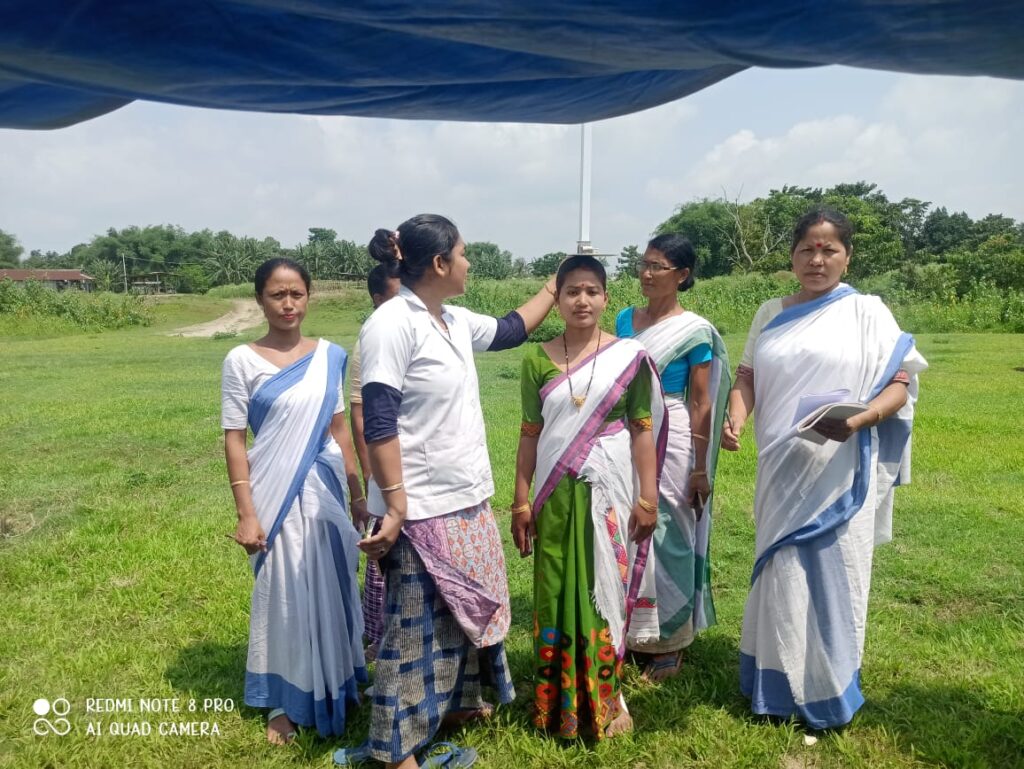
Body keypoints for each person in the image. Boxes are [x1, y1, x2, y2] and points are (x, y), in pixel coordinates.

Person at [356, 214, 558, 769]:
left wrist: (555, 284)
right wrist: (395, 503)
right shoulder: (392, 324)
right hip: (418, 507)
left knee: (455, 615)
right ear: (440, 263)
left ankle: (450, 707)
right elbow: (378, 419)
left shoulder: (451, 320)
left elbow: (514, 328)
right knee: (412, 628)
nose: (470, 262)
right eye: (464, 254)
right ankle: (396, 751)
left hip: (463, 497)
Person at [722, 207, 927, 729]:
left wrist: (863, 418)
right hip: (781, 463)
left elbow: (899, 385)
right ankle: (775, 684)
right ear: (792, 256)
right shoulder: (770, 311)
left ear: (847, 256)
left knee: (838, 573)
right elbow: (745, 377)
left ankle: (828, 688)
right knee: (780, 567)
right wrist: (736, 417)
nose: (817, 260)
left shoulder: (868, 313)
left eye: (828, 250)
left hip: (839, 465)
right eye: (807, 250)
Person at [511, 255, 666, 739]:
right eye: (571, 291)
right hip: (555, 496)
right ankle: (554, 703)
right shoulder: (537, 358)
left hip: (610, 492)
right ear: (556, 298)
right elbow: (529, 434)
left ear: (605, 298)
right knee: (556, 588)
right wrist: (520, 501)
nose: (582, 300)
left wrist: (648, 497)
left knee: (606, 589)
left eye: (591, 291)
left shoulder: (627, 356)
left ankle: (608, 697)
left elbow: (643, 430)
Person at [220, 257, 369, 744]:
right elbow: (235, 439)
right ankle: (283, 700)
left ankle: (339, 681)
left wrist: (357, 492)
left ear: (309, 297)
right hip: (273, 491)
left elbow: (339, 428)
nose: (287, 304)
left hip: (324, 487)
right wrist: (247, 512)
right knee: (282, 590)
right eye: (276, 295)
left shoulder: (330, 355)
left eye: (296, 294)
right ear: (260, 299)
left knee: (332, 580)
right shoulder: (241, 360)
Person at [615, 233, 731, 681]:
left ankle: (671, 640)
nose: (646, 273)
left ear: (681, 276)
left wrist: (700, 468)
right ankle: (632, 628)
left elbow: (701, 402)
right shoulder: (625, 319)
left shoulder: (695, 331)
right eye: (644, 264)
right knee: (629, 523)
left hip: (674, 434)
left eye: (658, 266)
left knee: (670, 530)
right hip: (627, 433)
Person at [348, 263, 401, 660]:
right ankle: (381, 637)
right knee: (384, 555)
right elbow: (360, 414)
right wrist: (370, 475)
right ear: (378, 299)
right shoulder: (371, 341)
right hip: (384, 468)